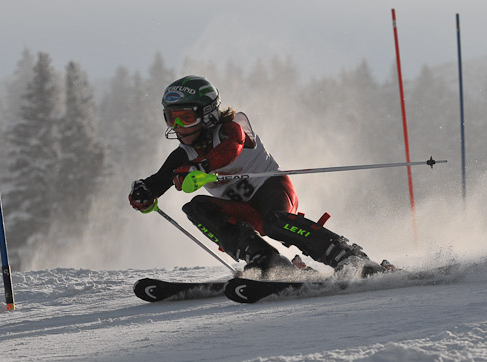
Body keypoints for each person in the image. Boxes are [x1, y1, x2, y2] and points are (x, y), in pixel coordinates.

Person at [128, 75, 392, 278]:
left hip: (271, 189)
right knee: (196, 207)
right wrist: (144, 192)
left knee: (274, 222)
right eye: (170, 118)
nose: (177, 127)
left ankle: (348, 257)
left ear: (207, 114)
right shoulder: (184, 152)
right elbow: (162, 179)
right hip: (241, 208)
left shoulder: (231, 127)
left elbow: (231, 150)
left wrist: (200, 168)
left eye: (185, 118)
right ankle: (266, 261)